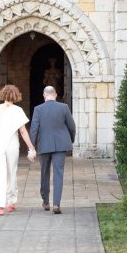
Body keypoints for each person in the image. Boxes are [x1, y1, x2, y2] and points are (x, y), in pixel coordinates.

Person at [0, 84, 37, 216]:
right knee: (11, 172)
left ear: (2, 95)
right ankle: (11, 203)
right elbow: (23, 131)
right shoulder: (18, 110)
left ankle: (0, 206)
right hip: (12, 144)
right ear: (15, 96)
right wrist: (31, 147)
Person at [29, 86, 76, 214]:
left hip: (44, 145)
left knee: (44, 173)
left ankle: (45, 202)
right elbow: (72, 126)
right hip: (61, 145)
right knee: (58, 174)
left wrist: (31, 147)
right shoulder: (64, 107)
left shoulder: (38, 109)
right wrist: (70, 140)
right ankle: (56, 204)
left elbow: (34, 129)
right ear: (55, 95)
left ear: (44, 95)